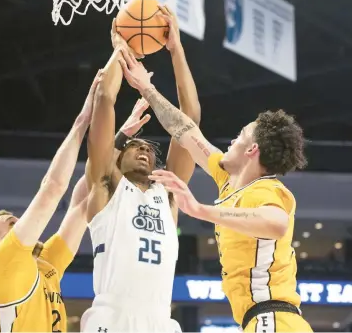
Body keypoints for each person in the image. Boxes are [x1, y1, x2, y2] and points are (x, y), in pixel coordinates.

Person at [119, 51, 313, 332]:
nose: (232, 140)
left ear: (251, 150)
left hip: (273, 319)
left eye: (240, 136)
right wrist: (146, 88)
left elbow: (277, 223)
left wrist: (198, 209)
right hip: (264, 321)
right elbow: (184, 129)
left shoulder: (266, 190)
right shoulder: (228, 179)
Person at [80, 6, 201, 332]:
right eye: (135, 147)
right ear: (116, 158)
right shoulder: (106, 185)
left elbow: (190, 117)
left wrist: (176, 49)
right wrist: (122, 47)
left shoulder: (169, 194)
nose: (146, 149)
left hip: (160, 319)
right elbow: (105, 98)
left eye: (150, 149)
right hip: (112, 317)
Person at [0, 71, 103, 332]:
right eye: (11, 224)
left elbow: (81, 204)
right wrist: (82, 120)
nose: (20, 222)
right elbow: (53, 188)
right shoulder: (5, 264)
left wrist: (115, 141)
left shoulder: (43, 264)